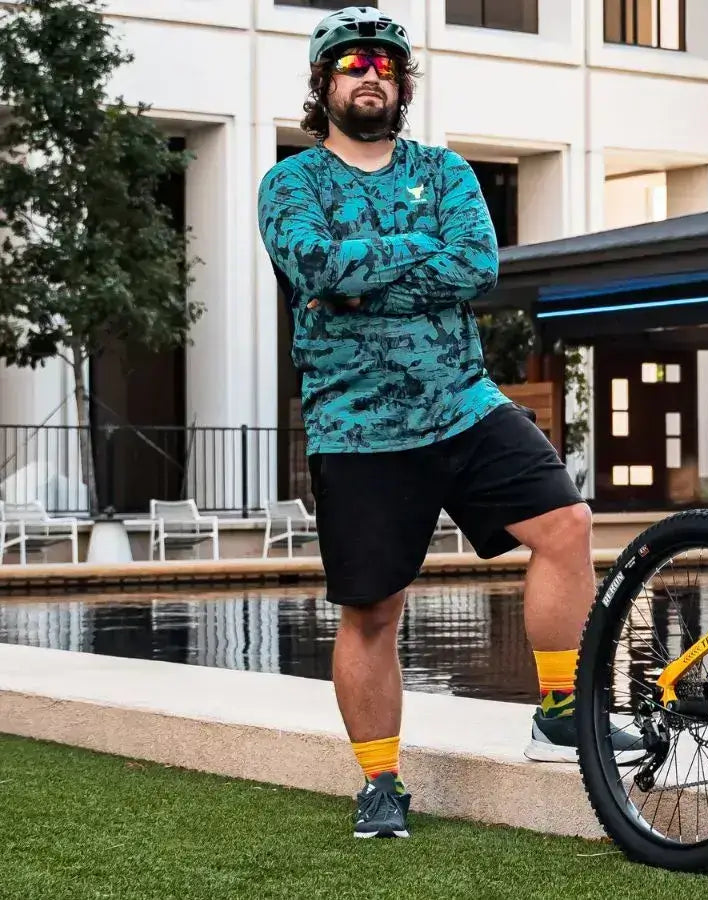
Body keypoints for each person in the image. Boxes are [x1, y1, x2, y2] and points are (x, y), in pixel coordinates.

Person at [256, 6, 636, 840]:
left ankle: (563, 708)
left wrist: (363, 276)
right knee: (373, 613)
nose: (371, 74)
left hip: (463, 401)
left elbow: (477, 264)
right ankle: (381, 781)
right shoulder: (293, 183)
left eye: (386, 65)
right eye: (353, 63)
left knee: (567, 524)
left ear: (401, 84)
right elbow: (314, 264)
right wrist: (405, 259)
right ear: (322, 84)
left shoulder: (446, 169)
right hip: (356, 425)